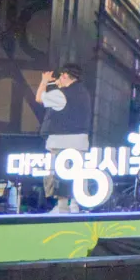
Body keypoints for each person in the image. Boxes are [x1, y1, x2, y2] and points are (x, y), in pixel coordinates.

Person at [35, 63, 92, 210]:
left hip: (59, 141)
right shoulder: (84, 93)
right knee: (77, 174)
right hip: (80, 141)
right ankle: (76, 204)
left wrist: (44, 81)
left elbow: (39, 98)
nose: (57, 80)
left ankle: (61, 206)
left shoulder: (61, 94)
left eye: (59, 76)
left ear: (65, 75)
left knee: (58, 175)